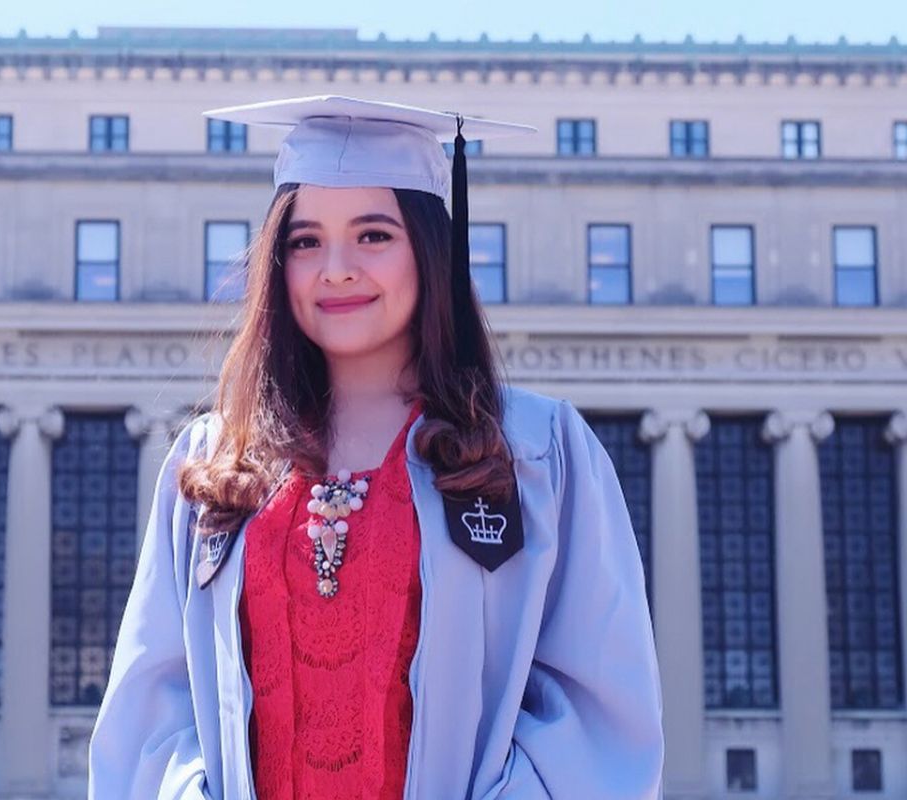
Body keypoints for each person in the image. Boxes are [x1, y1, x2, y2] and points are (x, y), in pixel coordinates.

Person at [88, 95, 663, 800]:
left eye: (373, 236)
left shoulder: (536, 454)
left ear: (429, 251)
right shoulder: (217, 463)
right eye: (305, 241)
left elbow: (595, 708)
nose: (335, 268)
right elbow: (153, 711)